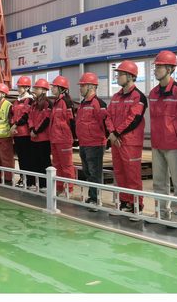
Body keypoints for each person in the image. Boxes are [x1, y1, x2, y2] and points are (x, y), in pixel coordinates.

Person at [148, 50, 177, 222]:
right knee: (159, 182)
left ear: (170, 69)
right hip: (157, 144)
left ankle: (176, 215)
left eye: (159, 67)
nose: (156, 70)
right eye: (156, 67)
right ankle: (161, 213)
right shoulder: (153, 93)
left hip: (176, 145)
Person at [107, 60, 147, 219]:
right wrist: (112, 132)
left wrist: (116, 133)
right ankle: (124, 203)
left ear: (130, 76)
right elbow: (108, 116)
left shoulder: (139, 97)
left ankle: (136, 206)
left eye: (120, 74)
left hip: (130, 142)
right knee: (119, 173)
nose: (117, 77)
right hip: (116, 141)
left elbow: (134, 118)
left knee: (132, 175)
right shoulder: (116, 96)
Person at [75, 72, 108, 205]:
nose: (80, 88)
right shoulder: (83, 104)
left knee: (94, 173)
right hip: (84, 143)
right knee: (88, 172)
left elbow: (105, 123)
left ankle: (95, 199)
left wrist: (106, 140)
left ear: (91, 87)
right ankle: (92, 196)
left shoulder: (98, 103)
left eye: (82, 86)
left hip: (95, 144)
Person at [49, 76, 77, 195]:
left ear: (61, 88)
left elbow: (71, 121)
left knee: (66, 165)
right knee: (57, 165)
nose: (52, 89)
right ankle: (59, 187)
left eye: (54, 87)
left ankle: (69, 188)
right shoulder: (56, 102)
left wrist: (73, 137)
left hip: (64, 139)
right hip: (55, 138)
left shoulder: (66, 102)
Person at [28, 78, 52, 192]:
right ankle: (38, 184)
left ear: (44, 90)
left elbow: (46, 119)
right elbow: (30, 118)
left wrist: (36, 131)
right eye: (35, 88)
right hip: (34, 138)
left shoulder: (47, 103)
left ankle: (45, 185)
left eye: (37, 88)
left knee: (44, 162)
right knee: (35, 162)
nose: (35, 90)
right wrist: (32, 129)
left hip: (44, 138)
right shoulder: (34, 104)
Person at [10, 75, 34, 188]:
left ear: (27, 88)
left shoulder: (30, 100)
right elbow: (13, 114)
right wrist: (12, 125)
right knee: (21, 158)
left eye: (21, 87)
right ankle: (23, 178)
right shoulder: (17, 101)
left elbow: (26, 115)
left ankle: (29, 180)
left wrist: (15, 125)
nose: (18, 89)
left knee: (27, 157)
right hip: (17, 133)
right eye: (18, 86)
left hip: (25, 133)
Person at [0, 82, 15, 184]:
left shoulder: (8, 105)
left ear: (4, 94)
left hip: (5, 137)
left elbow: (12, 120)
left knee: (6, 159)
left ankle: (8, 179)